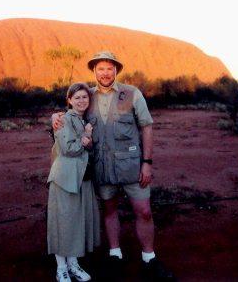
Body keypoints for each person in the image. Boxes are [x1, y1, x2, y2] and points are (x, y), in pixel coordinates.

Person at [53, 52, 175, 281]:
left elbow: (146, 127)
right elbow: (69, 114)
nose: (105, 73)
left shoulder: (131, 93)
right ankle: (115, 256)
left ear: (116, 70)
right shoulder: (86, 96)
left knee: (144, 211)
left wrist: (147, 163)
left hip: (131, 166)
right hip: (102, 167)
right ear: (94, 71)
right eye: (101, 68)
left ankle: (149, 260)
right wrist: (54, 117)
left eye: (110, 68)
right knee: (109, 211)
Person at [47, 82, 101, 282]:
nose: (81, 101)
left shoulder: (82, 119)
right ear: (69, 100)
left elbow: (87, 149)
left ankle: (73, 265)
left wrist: (88, 138)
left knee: (75, 222)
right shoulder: (64, 119)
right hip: (64, 180)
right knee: (63, 222)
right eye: (77, 97)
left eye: (85, 97)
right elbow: (69, 148)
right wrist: (86, 137)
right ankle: (61, 268)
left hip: (80, 179)